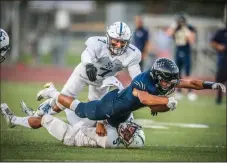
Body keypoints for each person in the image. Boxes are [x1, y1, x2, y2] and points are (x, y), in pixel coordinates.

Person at [36, 58, 226, 125]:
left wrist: (212, 85)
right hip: (111, 105)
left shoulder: (165, 80)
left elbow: (190, 83)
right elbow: (146, 99)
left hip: (126, 112)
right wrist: (166, 101)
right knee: (81, 110)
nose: (171, 84)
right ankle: (53, 92)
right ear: (158, 77)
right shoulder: (142, 81)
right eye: (168, 81)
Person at [47, 21, 141, 134]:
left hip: (102, 81)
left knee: (94, 112)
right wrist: (89, 64)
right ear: (108, 37)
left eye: (122, 42)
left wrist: (139, 90)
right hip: (85, 73)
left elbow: (137, 79)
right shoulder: (97, 43)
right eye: (115, 41)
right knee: (61, 103)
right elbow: (86, 54)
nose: (119, 45)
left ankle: (86, 127)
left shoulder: (132, 54)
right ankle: (40, 113)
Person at [0, 102, 145, 149]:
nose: (127, 130)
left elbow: (85, 130)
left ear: (126, 142)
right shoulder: (126, 121)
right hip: (84, 125)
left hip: (75, 135)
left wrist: (100, 120)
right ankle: (34, 113)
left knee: (43, 120)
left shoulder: (111, 140)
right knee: (66, 102)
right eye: (132, 130)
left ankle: (13, 120)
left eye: (128, 135)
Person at [166, 13, 197, 101]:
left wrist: (186, 29)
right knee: (177, 73)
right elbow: (168, 34)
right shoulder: (175, 28)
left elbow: (192, 41)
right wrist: (173, 26)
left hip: (186, 52)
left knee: (187, 73)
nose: (180, 23)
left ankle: (190, 91)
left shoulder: (189, 28)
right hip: (178, 52)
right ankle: (179, 91)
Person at [210, 27, 227, 104]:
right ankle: (219, 98)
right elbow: (212, 42)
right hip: (224, 59)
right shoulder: (222, 32)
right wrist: (219, 46)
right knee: (220, 79)